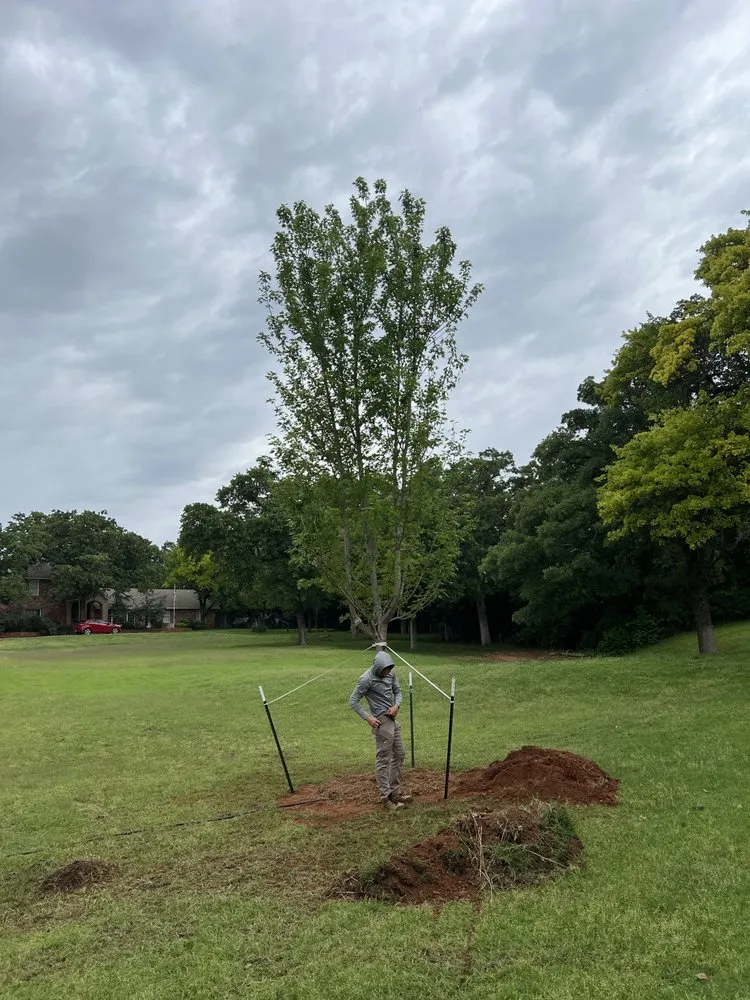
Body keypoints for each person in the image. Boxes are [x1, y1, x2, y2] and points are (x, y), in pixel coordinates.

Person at [349, 648, 412, 810]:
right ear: (378, 668)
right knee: (383, 759)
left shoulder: (391, 673)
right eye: (385, 670)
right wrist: (368, 717)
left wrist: (396, 705)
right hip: (381, 722)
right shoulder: (366, 679)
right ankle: (386, 798)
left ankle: (395, 792)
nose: (388, 672)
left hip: (393, 719)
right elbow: (353, 701)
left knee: (400, 754)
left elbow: (398, 691)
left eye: (389, 669)